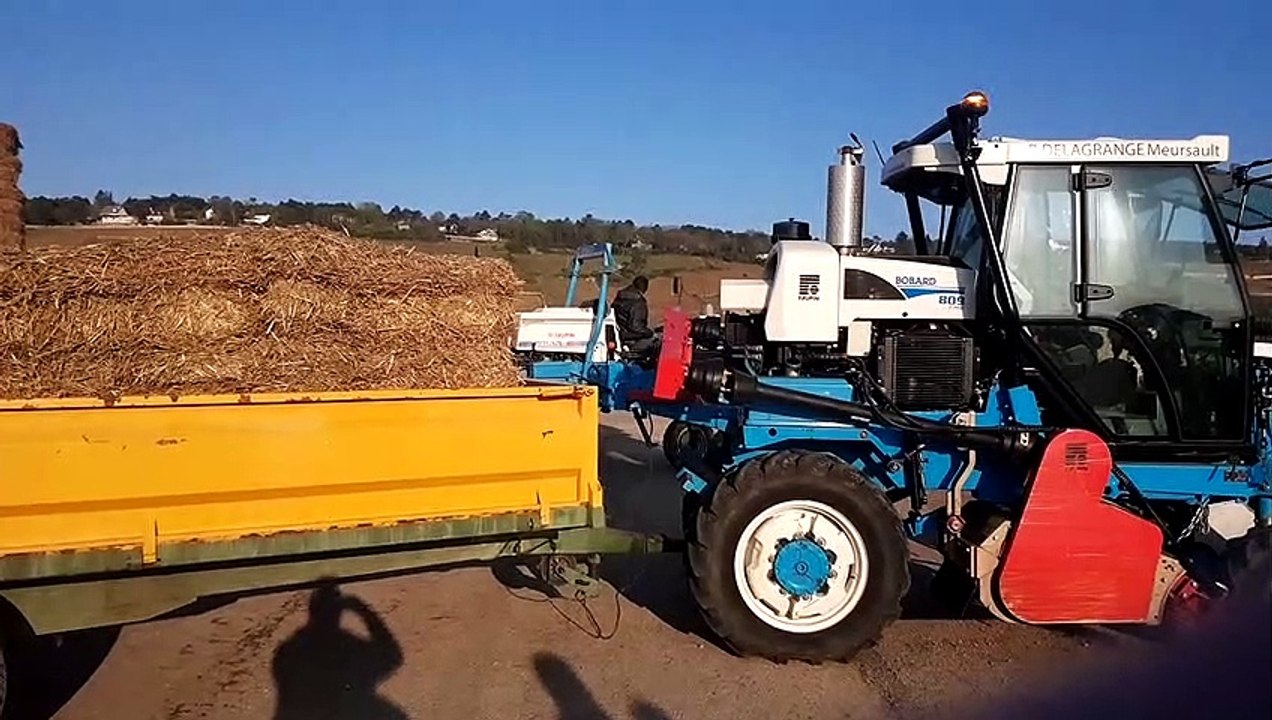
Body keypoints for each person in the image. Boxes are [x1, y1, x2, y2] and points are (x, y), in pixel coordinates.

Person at [611, 275, 656, 356]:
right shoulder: (638, 302)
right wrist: (649, 332)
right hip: (631, 338)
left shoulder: (619, 298)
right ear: (645, 288)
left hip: (618, 334)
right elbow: (636, 326)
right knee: (657, 341)